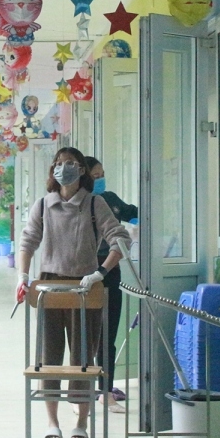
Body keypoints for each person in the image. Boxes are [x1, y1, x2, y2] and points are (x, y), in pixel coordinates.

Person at [16, 147, 131, 438]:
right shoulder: (43, 205)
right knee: (49, 357)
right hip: (50, 287)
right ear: (53, 169)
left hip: (85, 288)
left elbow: (120, 238)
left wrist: (101, 272)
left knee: (82, 358)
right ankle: (52, 422)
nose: (64, 168)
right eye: (59, 163)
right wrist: (23, 276)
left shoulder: (95, 203)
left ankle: (81, 422)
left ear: (81, 170)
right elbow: (27, 240)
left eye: (71, 164)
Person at [83, 156, 138, 412]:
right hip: (82, 272)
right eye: (96, 176)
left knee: (108, 333)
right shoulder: (78, 204)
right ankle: (82, 393)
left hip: (110, 270)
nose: (100, 180)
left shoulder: (111, 200)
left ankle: (106, 391)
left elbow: (134, 216)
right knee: (83, 334)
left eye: (102, 174)